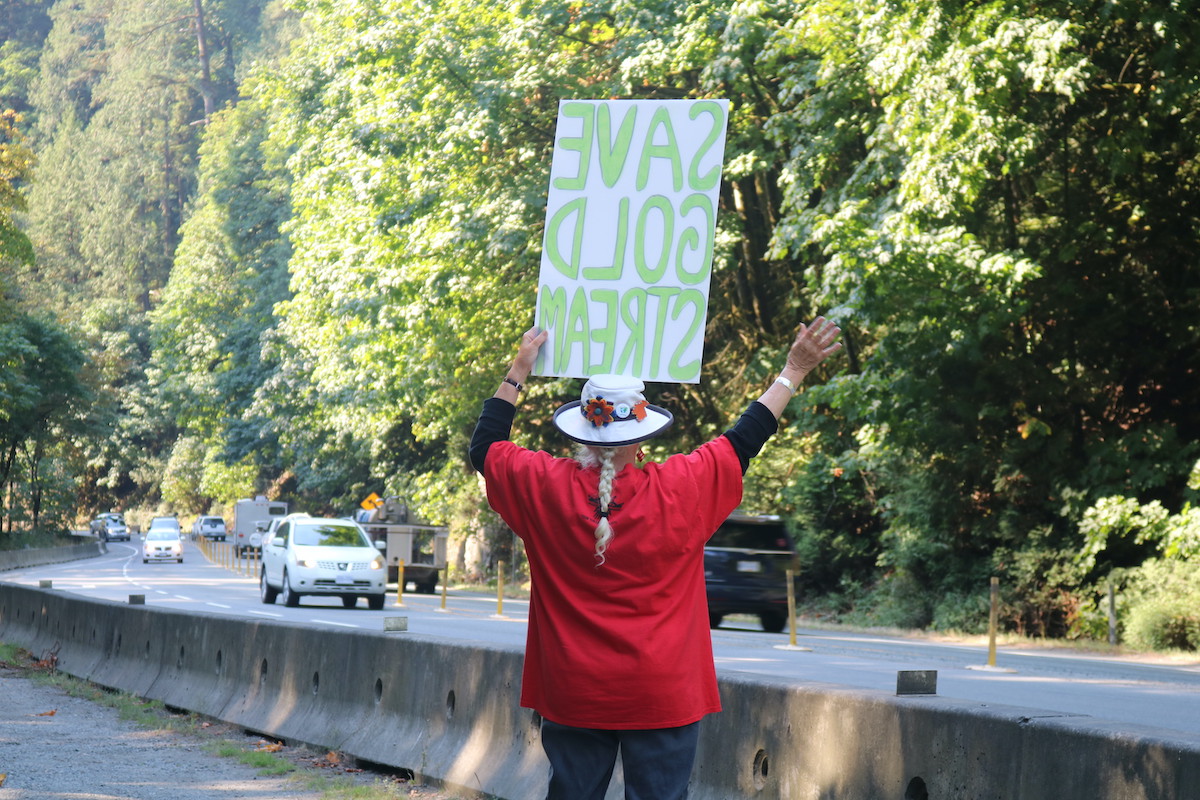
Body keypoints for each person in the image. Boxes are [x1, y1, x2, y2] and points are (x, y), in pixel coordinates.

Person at [469, 317, 842, 800]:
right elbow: (746, 439)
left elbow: (485, 448)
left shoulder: (541, 483)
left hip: (573, 689)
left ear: (581, 429)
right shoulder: (681, 488)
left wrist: (519, 368)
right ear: (642, 432)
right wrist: (794, 368)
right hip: (664, 692)